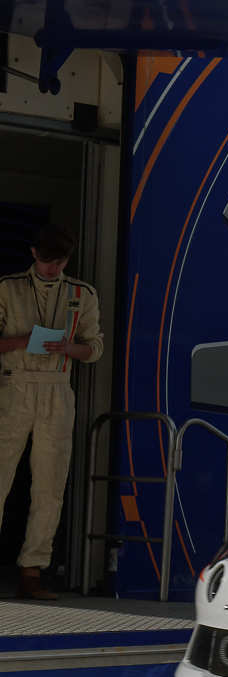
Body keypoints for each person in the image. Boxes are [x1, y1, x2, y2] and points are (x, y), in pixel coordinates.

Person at [0, 224, 104, 601]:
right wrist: (23, 341)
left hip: (58, 388)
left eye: (58, 261)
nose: (50, 268)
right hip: (13, 385)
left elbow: (94, 348)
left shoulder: (82, 293)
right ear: (33, 254)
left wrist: (68, 348)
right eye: (45, 260)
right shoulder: (8, 288)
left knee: (50, 486)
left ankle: (33, 570)